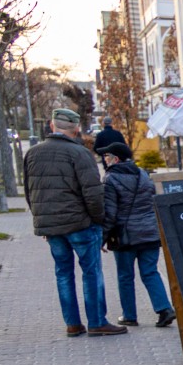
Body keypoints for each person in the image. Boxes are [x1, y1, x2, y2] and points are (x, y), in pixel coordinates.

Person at [24, 108, 126, 337]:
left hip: (52, 226)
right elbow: (93, 193)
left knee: (63, 273)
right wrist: (100, 222)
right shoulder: (80, 153)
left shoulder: (32, 154)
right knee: (91, 272)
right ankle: (97, 322)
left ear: (52, 126)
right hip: (80, 224)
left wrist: (42, 220)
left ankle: (72, 323)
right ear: (77, 128)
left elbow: (31, 192)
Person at [99, 142, 175, 329]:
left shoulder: (110, 178)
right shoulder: (143, 174)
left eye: (107, 156)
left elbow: (110, 212)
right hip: (149, 233)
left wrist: (102, 237)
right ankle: (165, 309)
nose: (104, 160)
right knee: (150, 272)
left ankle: (129, 315)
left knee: (125, 275)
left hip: (125, 235)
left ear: (115, 159)